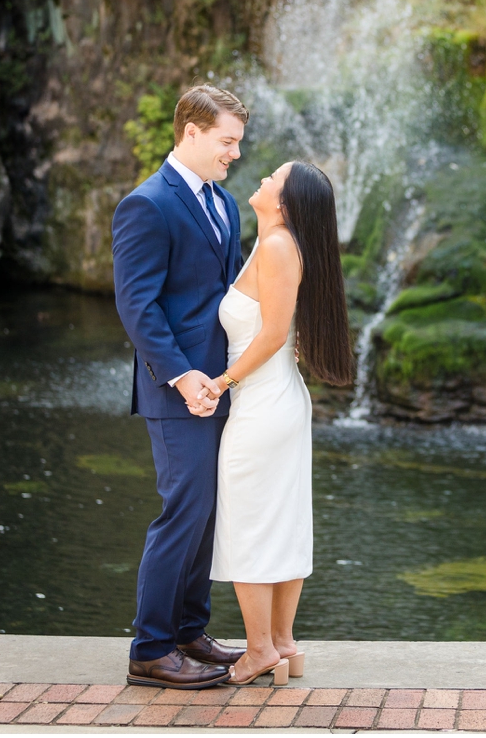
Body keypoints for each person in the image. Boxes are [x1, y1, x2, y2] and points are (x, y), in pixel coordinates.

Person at [111, 85, 250, 689]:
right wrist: (181, 373)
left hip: (222, 385)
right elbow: (137, 305)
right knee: (182, 512)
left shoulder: (225, 203)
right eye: (227, 141)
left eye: (238, 143)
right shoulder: (146, 205)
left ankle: (191, 632)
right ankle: (151, 647)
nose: (235, 154)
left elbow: (230, 292)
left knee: (207, 514)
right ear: (190, 133)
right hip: (176, 391)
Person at [200, 161, 355, 686]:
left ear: (285, 203)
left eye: (273, 178)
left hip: (263, 402)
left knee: (250, 520)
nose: (262, 179)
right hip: (276, 398)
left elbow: (269, 336)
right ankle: (284, 644)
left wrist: (220, 383)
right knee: (282, 518)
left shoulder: (277, 247)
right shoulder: (275, 244)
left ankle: (260, 649)